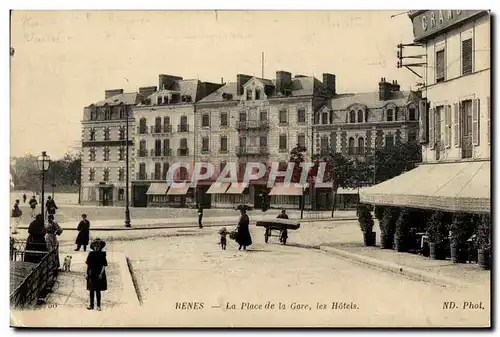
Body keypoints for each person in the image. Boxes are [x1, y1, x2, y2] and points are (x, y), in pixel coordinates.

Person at [86, 238, 108, 311]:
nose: (96, 247)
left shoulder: (102, 254)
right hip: (91, 273)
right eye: (95, 246)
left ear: (100, 247)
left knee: (98, 290)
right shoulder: (91, 254)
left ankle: (98, 305)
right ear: (93, 247)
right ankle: (91, 305)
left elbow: (104, 265)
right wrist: (87, 274)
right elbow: (88, 265)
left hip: (99, 274)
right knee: (91, 290)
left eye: (98, 246)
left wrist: (101, 274)